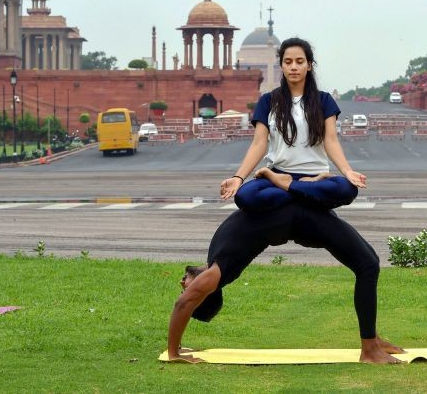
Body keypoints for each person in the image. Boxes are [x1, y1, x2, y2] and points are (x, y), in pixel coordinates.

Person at [166, 203, 405, 364]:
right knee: (368, 266)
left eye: (183, 283)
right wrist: (174, 352)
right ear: (203, 294)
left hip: (300, 213)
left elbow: (187, 300)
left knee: (370, 261)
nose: (182, 281)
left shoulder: (215, 262)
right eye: (185, 285)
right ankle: (369, 350)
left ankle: (372, 340)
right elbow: (183, 304)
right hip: (302, 220)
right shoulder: (217, 274)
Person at [220, 37, 366, 213]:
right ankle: (298, 189)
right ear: (281, 66)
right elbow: (259, 143)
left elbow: (331, 141)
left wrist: (347, 171)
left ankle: (288, 186)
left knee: (346, 189)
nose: (293, 67)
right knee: (245, 196)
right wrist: (238, 177)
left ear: (309, 65)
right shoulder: (268, 101)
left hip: (316, 176)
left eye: (299, 61)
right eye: (288, 62)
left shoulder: (324, 100)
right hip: (279, 173)